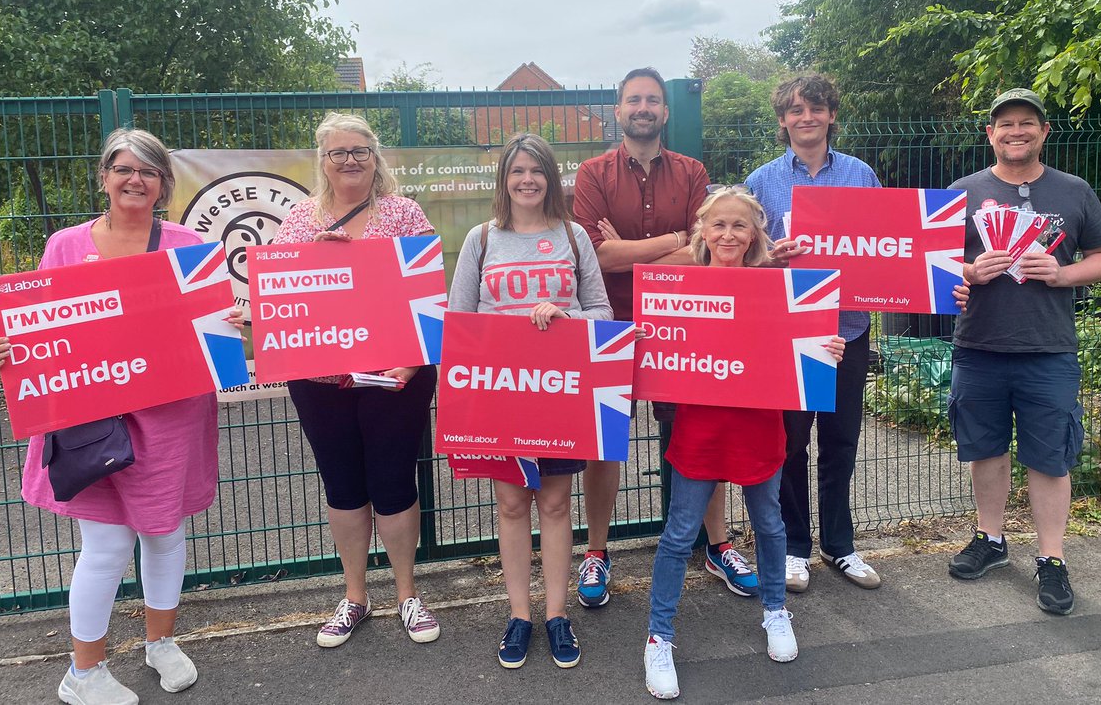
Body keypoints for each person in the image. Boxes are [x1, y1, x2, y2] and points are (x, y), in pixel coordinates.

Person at [0, 128, 243, 705]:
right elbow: (36, 329)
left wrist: (232, 324)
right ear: (103, 177)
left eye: (148, 171)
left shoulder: (186, 245)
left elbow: (211, 327)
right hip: (90, 418)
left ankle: (160, 642)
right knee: (104, 546)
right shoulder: (66, 246)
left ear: (162, 185)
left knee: (164, 534)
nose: (135, 180)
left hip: (172, 417)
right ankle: (83, 674)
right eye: (124, 168)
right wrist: (7, 349)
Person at [642, 186, 846, 699]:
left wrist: (828, 348)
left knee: (769, 522)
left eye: (739, 225)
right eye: (719, 225)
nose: (728, 234)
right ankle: (658, 637)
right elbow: (660, 347)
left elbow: (805, 345)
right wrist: (647, 342)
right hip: (701, 426)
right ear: (702, 233)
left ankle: (776, 611)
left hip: (758, 424)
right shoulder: (678, 286)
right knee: (680, 530)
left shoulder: (775, 286)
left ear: (754, 233)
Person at [573, 68, 757, 609]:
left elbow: (705, 250)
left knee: (699, 434)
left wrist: (637, 248)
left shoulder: (693, 171)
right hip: (609, 324)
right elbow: (596, 255)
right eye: (634, 100)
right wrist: (673, 240)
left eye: (653, 100)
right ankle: (598, 551)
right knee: (604, 443)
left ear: (665, 111)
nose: (644, 108)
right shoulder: (592, 173)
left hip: (685, 323)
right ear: (618, 109)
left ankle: (717, 543)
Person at [946, 88, 1101, 615]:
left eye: (1027, 123)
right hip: (978, 344)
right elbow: (932, 261)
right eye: (1005, 124)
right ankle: (991, 540)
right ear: (990, 135)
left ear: (1044, 132)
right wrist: (969, 272)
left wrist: (1063, 273)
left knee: (1050, 457)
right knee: (985, 450)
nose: (1015, 131)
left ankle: (1051, 559)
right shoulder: (963, 190)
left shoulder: (1073, 191)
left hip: (1048, 349)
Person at [272, 112, 441, 648]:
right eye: (338, 152)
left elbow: (428, 292)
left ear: (375, 157)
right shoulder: (300, 220)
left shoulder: (404, 213)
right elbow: (278, 295)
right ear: (322, 161)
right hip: (319, 380)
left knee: (394, 482)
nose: (349, 161)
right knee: (342, 485)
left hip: (395, 375)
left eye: (359, 151)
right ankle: (354, 597)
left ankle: (407, 595)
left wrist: (414, 364)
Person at [448, 133, 612, 670]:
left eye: (536, 171)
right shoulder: (481, 238)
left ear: (550, 178)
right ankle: (519, 615)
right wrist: (504, 330)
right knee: (513, 505)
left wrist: (567, 319)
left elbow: (603, 315)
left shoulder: (572, 234)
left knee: (558, 505)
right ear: (504, 180)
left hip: (560, 394)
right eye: (517, 171)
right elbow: (460, 322)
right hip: (501, 396)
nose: (527, 180)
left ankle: (557, 615)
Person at [744, 74, 883, 593]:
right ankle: (795, 549)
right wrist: (769, 258)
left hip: (848, 329)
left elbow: (885, 247)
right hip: (790, 333)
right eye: (796, 110)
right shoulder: (761, 182)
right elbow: (741, 253)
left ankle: (841, 545)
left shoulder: (861, 174)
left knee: (842, 440)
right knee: (791, 444)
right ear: (782, 120)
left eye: (816, 108)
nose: (807, 117)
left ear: (831, 116)